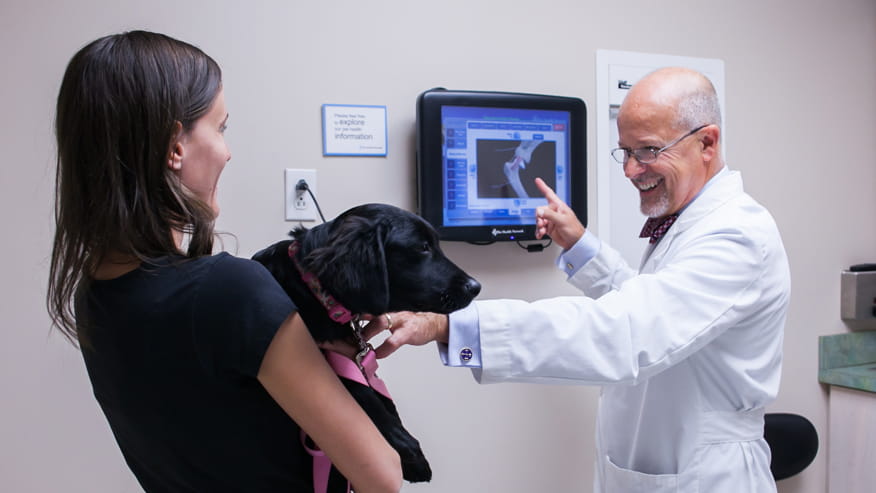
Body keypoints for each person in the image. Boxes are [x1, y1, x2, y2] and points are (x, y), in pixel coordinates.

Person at [371, 67, 791, 492]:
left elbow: (628, 332)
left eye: (646, 150)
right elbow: (651, 308)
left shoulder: (736, 236)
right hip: (658, 464)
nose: (630, 170)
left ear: (707, 142)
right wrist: (579, 246)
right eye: (624, 151)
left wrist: (450, 324)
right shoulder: (689, 223)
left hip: (705, 476)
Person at [46, 30, 401, 493]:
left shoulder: (92, 293)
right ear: (175, 145)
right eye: (220, 127)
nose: (227, 150)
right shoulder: (230, 290)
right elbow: (383, 476)